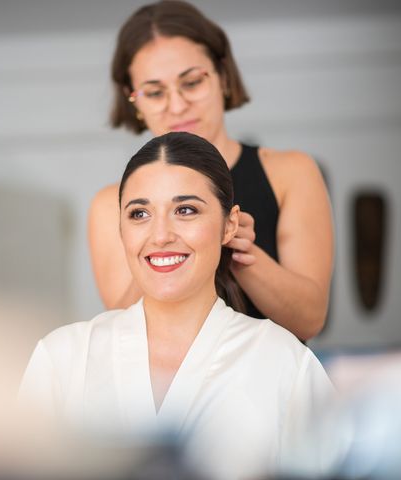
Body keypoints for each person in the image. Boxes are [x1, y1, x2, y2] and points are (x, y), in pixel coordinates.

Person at [20, 132, 335, 479]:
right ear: (121, 230)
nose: (160, 235)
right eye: (139, 214)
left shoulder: (286, 364)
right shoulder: (62, 359)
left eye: (185, 210)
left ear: (229, 225)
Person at [88, 0, 333, 341]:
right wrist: (156, 252)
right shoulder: (108, 204)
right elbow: (121, 336)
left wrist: (241, 253)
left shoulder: (291, 173)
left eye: (191, 83)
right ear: (136, 102)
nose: (177, 105)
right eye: (155, 92)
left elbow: (309, 321)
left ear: (222, 76)